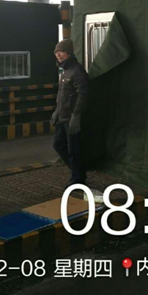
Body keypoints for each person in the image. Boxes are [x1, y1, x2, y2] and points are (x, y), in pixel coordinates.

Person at [51, 38, 89, 187]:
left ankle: (78, 179)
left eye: (61, 51)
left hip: (71, 118)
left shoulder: (77, 71)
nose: (58, 55)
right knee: (58, 145)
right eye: (56, 52)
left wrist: (76, 115)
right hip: (63, 117)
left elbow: (83, 94)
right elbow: (62, 94)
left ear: (69, 53)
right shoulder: (65, 71)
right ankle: (78, 171)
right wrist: (57, 111)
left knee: (74, 149)